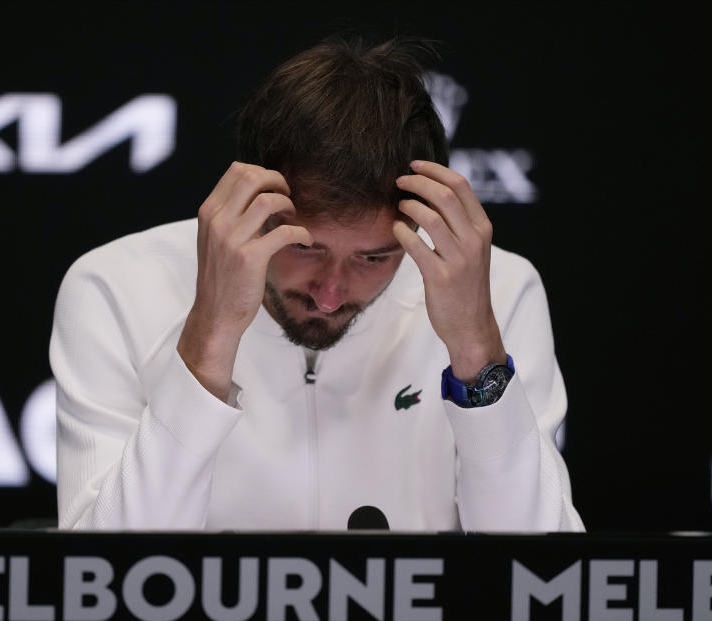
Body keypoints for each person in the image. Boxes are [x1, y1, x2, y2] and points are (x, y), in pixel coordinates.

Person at [50, 33, 584, 532]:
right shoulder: (114, 287)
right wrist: (210, 333)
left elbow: (541, 577)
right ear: (250, 201)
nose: (330, 294)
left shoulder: (500, 290)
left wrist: (475, 349)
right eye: (305, 247)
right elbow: (99, 575)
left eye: (374, 257)